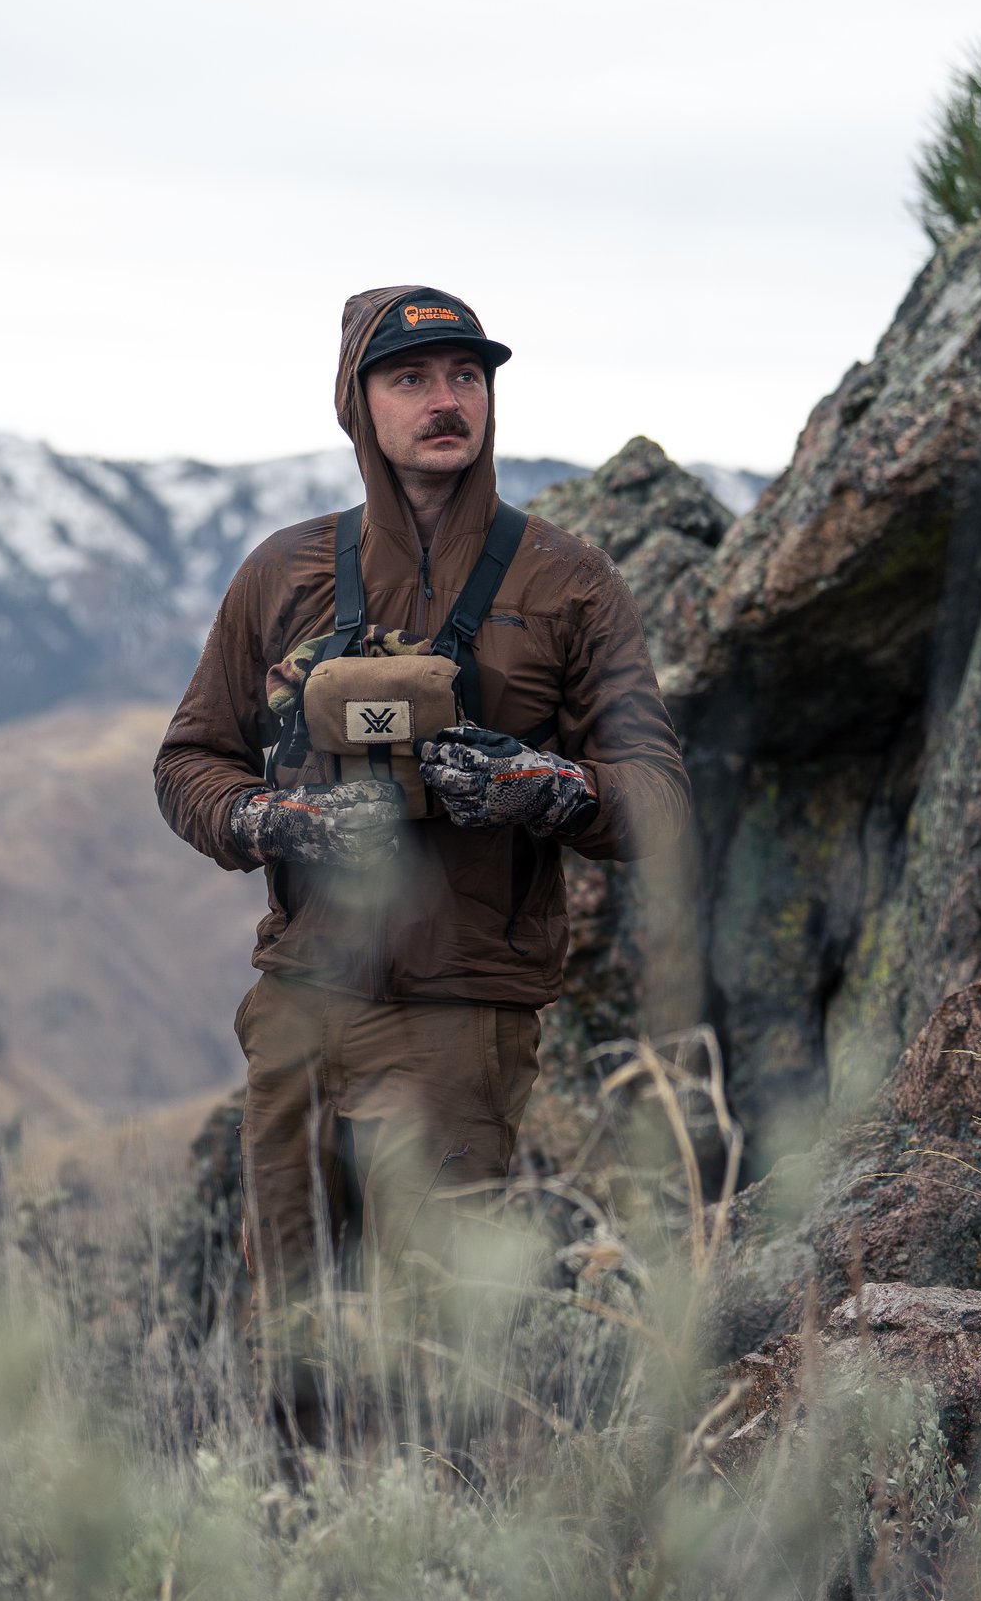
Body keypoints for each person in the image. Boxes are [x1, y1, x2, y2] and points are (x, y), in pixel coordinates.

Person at [153, 285, 691, 1357]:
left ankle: (438, 1517)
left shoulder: (569, 582)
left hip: (463, 1016)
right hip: (302, 1006)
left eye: (466, 376)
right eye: (411, 378)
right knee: (289, 1324)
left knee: (433, 1334)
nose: (446, 399)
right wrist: (271, 815)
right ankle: (299, 1521)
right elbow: (188, 761)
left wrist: (550, 786)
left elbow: (659, 796)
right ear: (357, 405)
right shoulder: (282, 573)